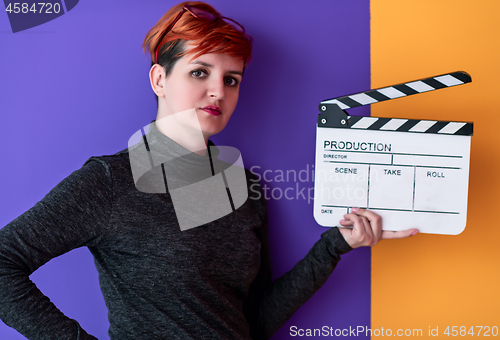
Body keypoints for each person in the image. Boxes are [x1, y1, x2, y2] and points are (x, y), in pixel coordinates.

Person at [0, 2, 418, 339]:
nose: (218, 90)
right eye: (199, 72)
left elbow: (254, 319)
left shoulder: (243, 187)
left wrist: (335, 245)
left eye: (232, 79)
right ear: (159, 79)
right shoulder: (111, 181)